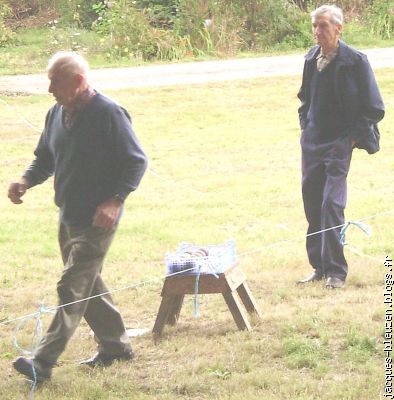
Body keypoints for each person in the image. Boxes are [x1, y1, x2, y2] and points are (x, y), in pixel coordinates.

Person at [8, 51, 148, 382]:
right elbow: (45, 157)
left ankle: (42, 362)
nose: (49, 88)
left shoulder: (108, 113)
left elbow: (136, 161)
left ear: (79, 81)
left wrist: (115, 201)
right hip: (68, 215)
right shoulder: (56, 113)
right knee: (88, 283)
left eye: (55, 82)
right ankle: (116, 346)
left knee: (71, 285)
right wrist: (25, 180)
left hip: (99, 220)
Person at [297, 5, 384, 289]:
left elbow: (375, 108)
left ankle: (336, 271)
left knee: (331, 204)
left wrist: (351, 139)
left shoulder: (356, 61)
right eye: (314, 26)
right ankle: (319, 267)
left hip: (339, 142)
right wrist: (305, 128)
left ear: (338, 28)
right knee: (312, 202)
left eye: (322, 26)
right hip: (312, 141)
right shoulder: (311, 58)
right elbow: (305, 98)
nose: (317, 32)